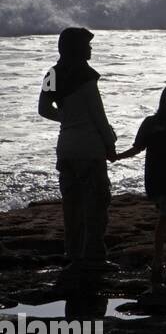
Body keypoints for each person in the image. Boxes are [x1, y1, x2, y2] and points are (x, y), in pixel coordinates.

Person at [37, 27, 119, 273]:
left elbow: (43, 109)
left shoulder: (52, 74)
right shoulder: (85, 77)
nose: (90, 48)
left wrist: (66, 118)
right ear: (77, 48)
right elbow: (98, 117)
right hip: (89, 149)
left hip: (66, 148)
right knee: (95, 205)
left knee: (72, 205)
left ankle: (73, 254)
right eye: (87, 44)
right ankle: (94, 256)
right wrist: (110, 142)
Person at [115, 84, 166, 284]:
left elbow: (137, 148)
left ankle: (158, 259)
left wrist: (116, 157)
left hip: (156, 178)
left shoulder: (150, 123)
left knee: (163, 218)